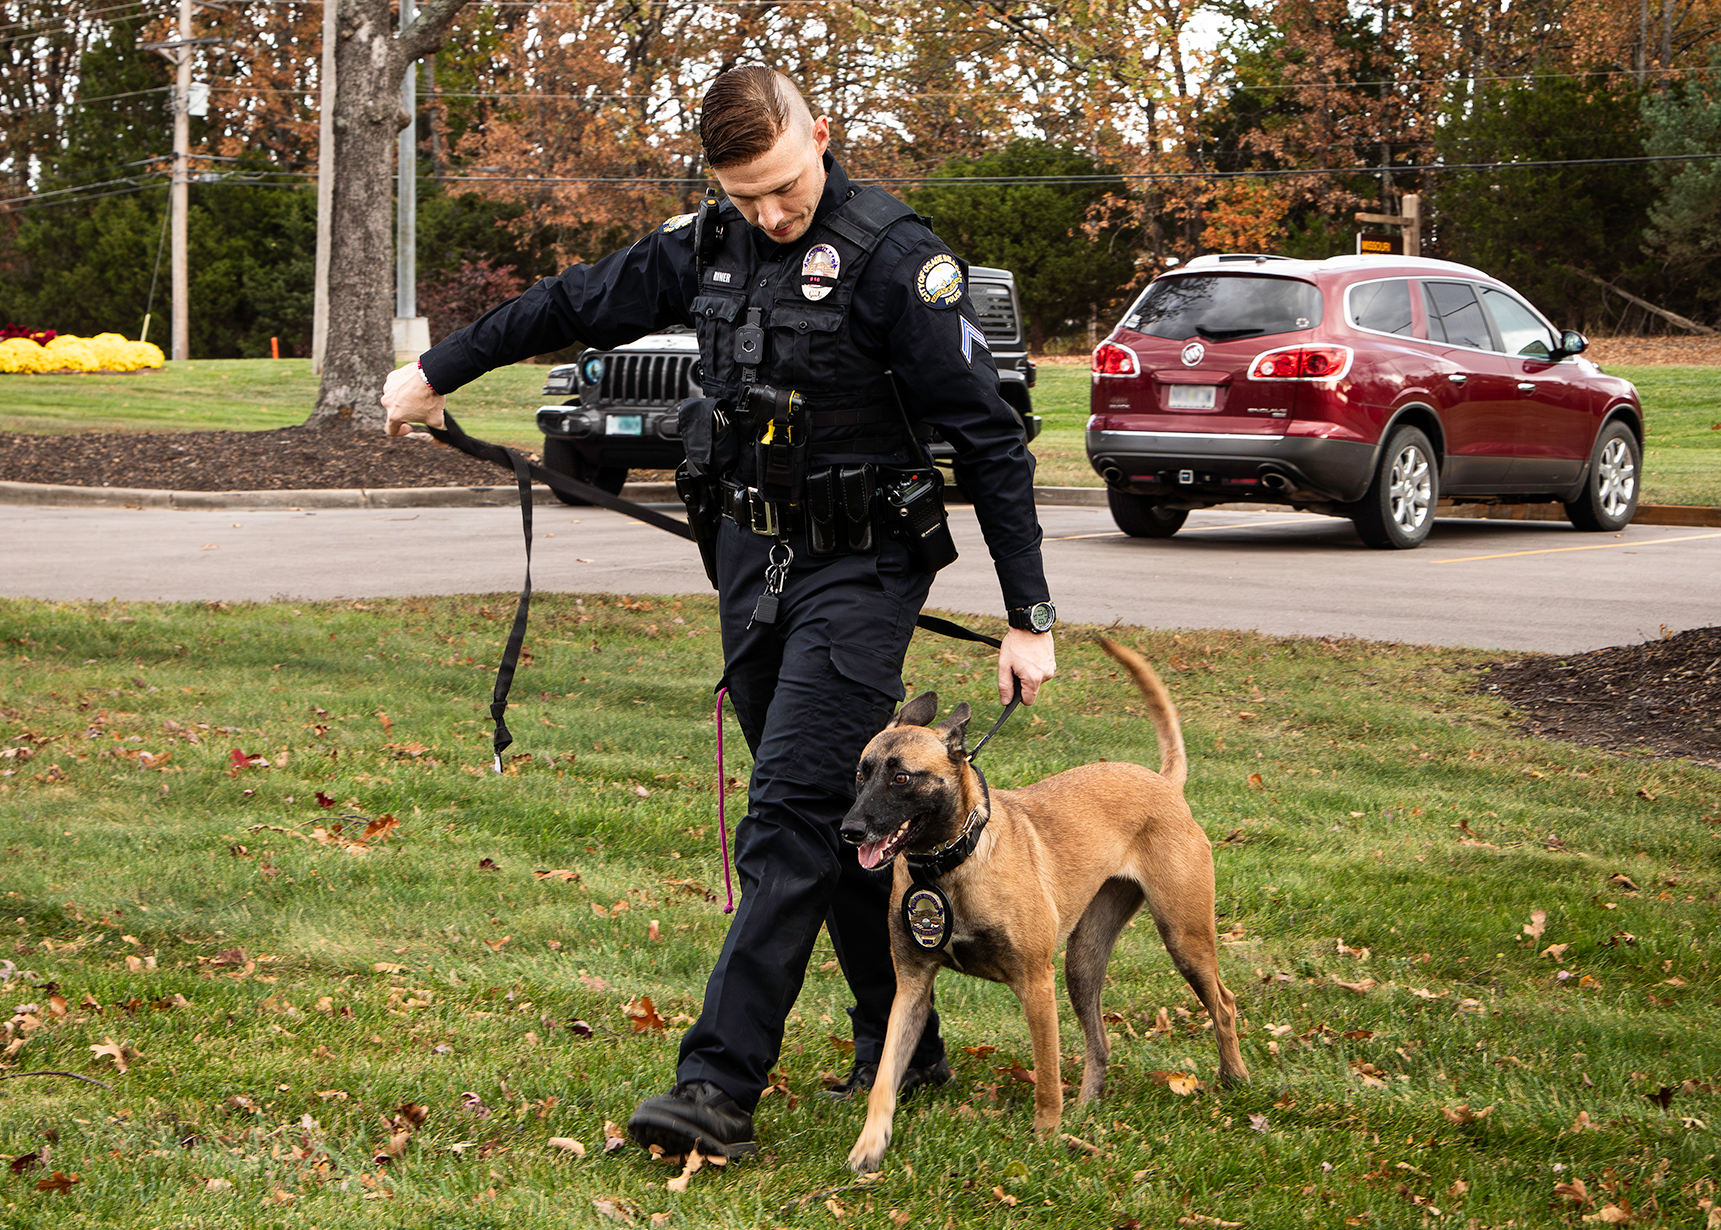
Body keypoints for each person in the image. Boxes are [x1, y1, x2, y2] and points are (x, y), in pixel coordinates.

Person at [379, 65, 1057, 1159]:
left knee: (786, 814)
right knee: (844, 824)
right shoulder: (707, 244)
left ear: (820, 138)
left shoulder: (897, 262)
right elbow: (568, 301)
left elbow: (987, 440)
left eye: (783, 190)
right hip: (749, 559)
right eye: (745, 197)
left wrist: (1029, 612)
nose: (769, 215)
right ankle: (904, 1041)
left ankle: (713, 1087)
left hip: (865, 566)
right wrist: (435, 367)